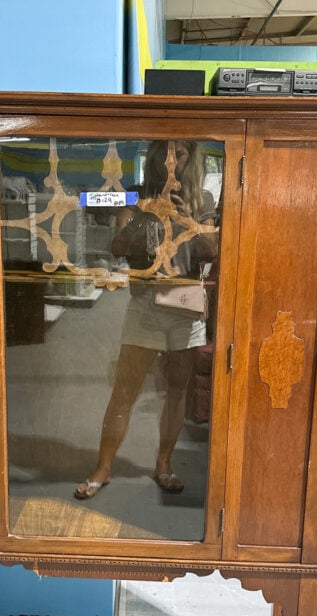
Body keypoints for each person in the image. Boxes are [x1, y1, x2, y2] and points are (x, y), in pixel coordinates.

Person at [74, 139, 218, 500]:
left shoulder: (203, 200)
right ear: (152, 157)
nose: (170, 161)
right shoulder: (134, 195)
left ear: (190, 158)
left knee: (177, 389)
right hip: (146, 302)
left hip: (186, 304)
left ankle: (164, 464)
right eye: (163, 153)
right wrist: (146, 217)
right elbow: (117, 247)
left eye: (179, 153)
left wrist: (186, 219)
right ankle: (103, 467)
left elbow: (213, 252)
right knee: (125, 389)